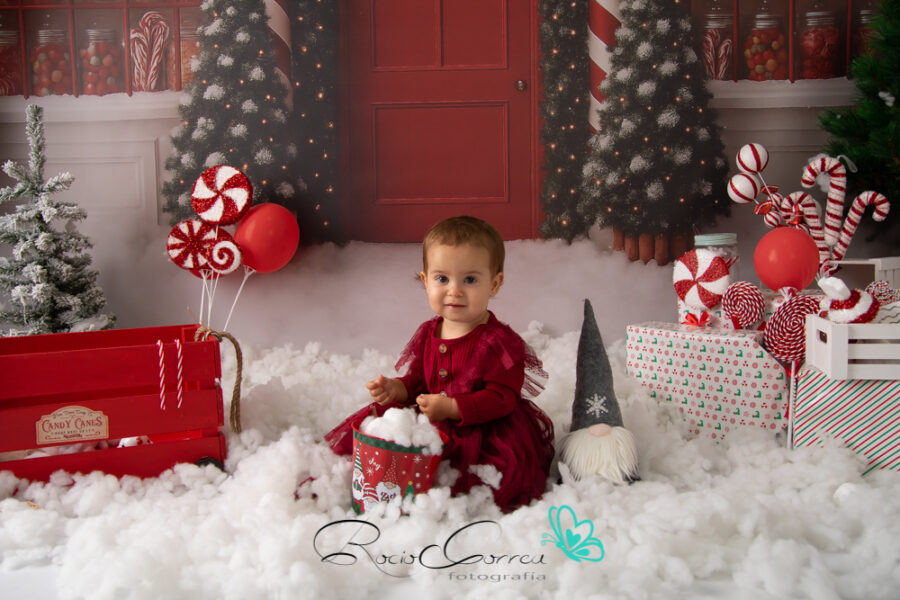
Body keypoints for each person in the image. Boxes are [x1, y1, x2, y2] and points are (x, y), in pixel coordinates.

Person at [325, 216, 555, 512]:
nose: (454, 291)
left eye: (470, 280)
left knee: (476, 478)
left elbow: (503, 398)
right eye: (442, 279)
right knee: (383, 436)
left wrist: (453, 408)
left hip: (482, 427)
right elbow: (419, 379)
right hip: (433, 415)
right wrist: (397, 389)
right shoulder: (429, 331)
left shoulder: (498, 342)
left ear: (494, 284)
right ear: (425, 280)